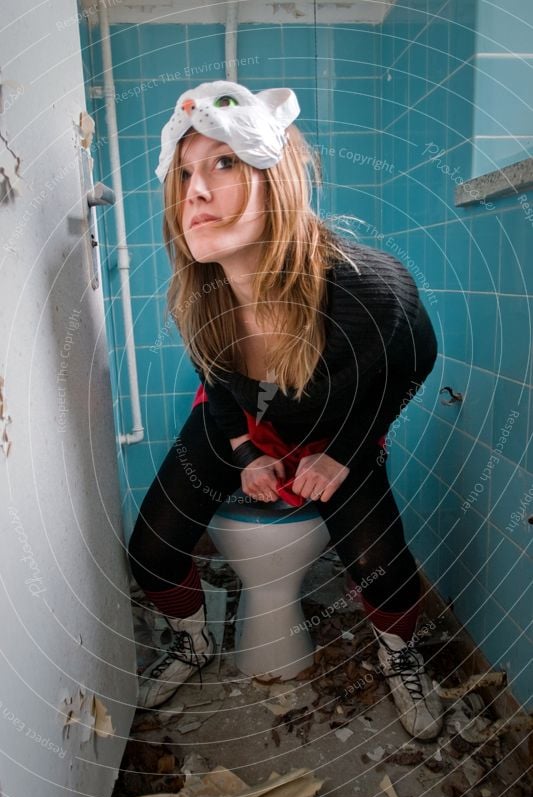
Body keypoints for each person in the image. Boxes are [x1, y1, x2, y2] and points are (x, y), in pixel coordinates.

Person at [128, 80, 442, 740]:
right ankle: (191, 642)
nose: (195, 191)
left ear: (275, 181)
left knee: (379, 564)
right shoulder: (203, 298)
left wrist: (345, 453)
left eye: (222, 163)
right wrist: (245, 451)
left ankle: (399, 654)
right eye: (183, 173)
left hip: (341, 424)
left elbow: (413, 362)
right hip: (244, 419)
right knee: (151, 550)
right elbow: (215, 385)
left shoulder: (362, 284)